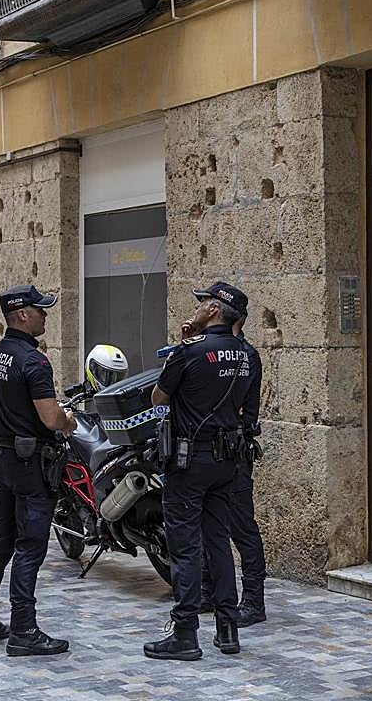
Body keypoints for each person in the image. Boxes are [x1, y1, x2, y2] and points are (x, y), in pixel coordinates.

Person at [145, 282, 254, 661]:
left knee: (186, 547)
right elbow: (247, 409)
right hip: (227, 462)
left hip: (189, 463)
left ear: (214, 310)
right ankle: (227, 629)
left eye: (203, 301)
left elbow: (158, 398)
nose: (198, 306)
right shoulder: (246, 355)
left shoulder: (188, 352)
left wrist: (181, 348)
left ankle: (185, 633)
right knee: (218, 543)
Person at [0, 285, 77, 657]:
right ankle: (24, 629)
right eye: (41, 309)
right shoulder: (34, 361)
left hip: (3, 458)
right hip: (32, 465)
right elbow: (50, 418)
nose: (46, 314)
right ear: (22, 315)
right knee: (30, 546)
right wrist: (68, 420)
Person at [197, 313, 267, 627]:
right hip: (209, 449)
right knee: (208, 523)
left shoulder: (245, 356)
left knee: (241, 525)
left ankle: (253, 600)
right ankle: (208, 589)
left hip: (233, 449)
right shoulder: (205, 349)